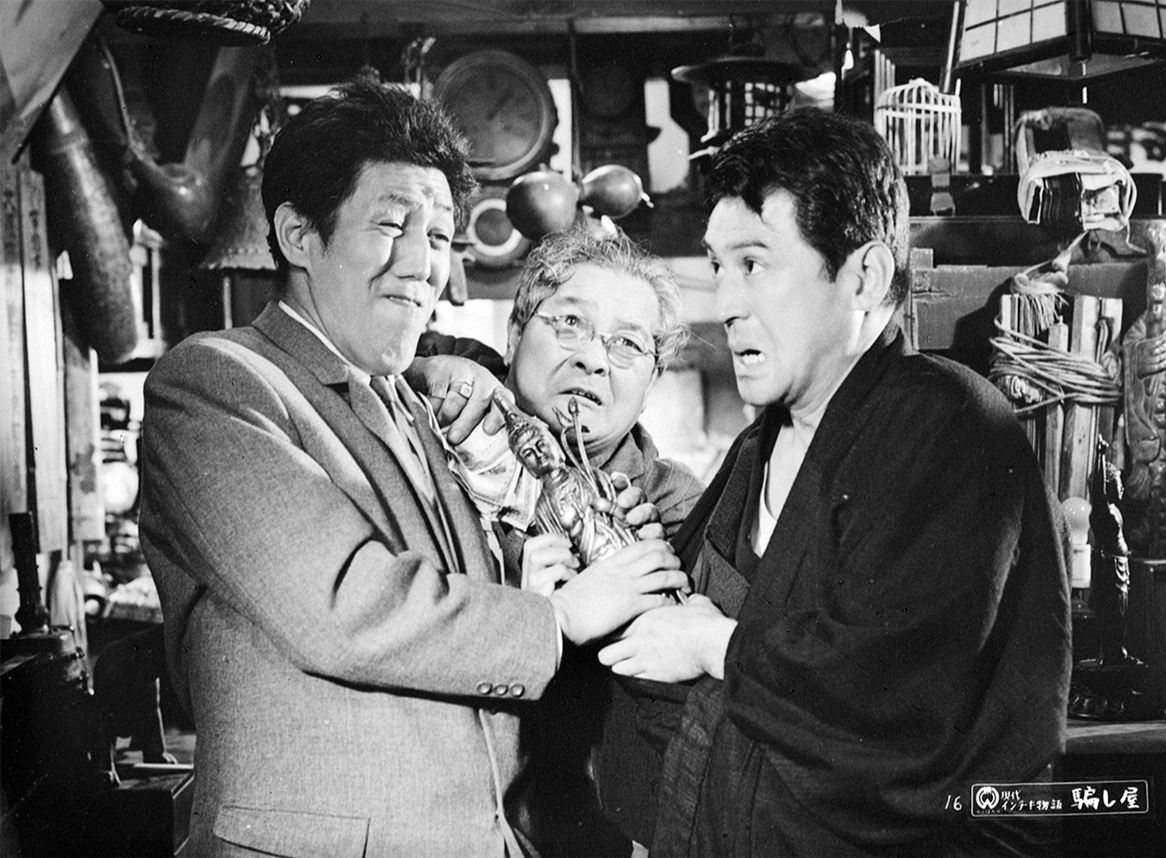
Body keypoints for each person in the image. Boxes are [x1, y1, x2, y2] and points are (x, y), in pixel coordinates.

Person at [138, 77, 685, 857]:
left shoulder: (421, 402)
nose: (420, 264)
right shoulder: (216, 384)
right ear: (298, 234)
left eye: (438, 235)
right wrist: (558, 618)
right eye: (392, 226)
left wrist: (537, 575)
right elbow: (345, 604)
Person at [597, 107, 1072, 856]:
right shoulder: (761, 442)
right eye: (718, 267)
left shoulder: (947, 423)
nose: (726, 304)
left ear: (864, 276)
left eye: (755, 264)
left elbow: (899, 695)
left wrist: (719, 646)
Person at [412, 226, 703, 855]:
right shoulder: (436, 421)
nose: (594, 358)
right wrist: (426, 370)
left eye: (627, 344)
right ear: (515, 333)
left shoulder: (672, 506)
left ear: (651, 380)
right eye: (570, 323)